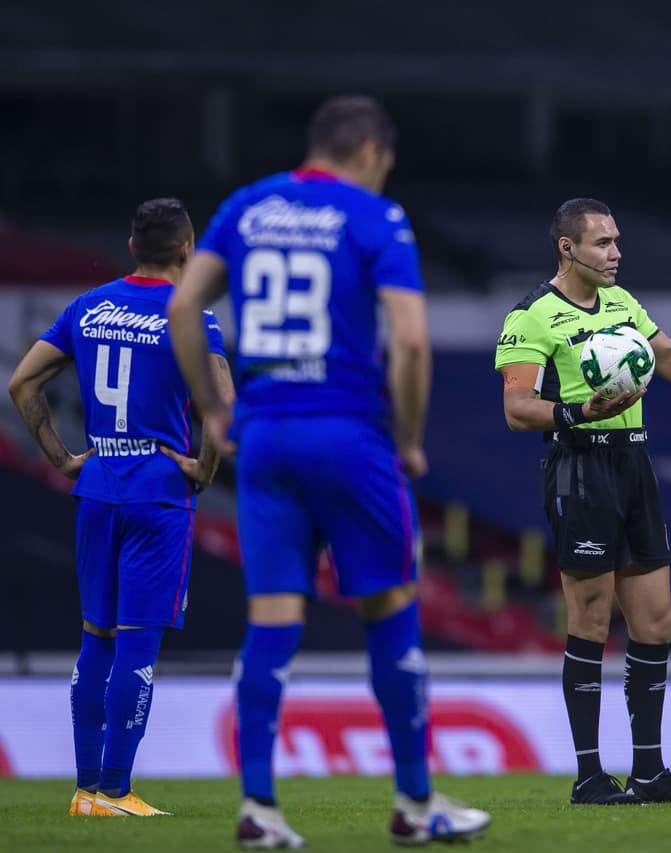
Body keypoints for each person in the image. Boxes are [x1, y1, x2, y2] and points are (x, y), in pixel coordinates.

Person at [167, 95, 489, 847]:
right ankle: (415, 803)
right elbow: (409, 344)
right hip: (349, 435)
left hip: (267, 436)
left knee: (273, 618)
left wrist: (217, 411)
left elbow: (185, 308)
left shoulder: (246, 206)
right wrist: (407, 439)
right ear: (372, 153)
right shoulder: (376, 218)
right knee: (390, 606)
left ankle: (259, 807)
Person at [495, 197, 671, 805]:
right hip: (579, 466)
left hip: (632, 462)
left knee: (658, 620)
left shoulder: (623, 305)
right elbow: (517, 408)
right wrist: (579, 412)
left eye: (617, 241)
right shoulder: (533, 315)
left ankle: (649, 772)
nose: (616, 254)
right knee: (593, 620)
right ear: (566, 248)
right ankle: (588, 777)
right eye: (602, 244)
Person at [8, 198, 233, 818]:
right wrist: (203, 471)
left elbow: (22, 382)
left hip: (98, 483)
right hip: (158, 492)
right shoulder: (191, 317)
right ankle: (115, 788)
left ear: (132, 247)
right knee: (137, 646)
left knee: (95, 641)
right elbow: (221, 404)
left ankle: (85, 791)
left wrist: (59, 458)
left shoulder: (90, 306)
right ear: (186, 252)